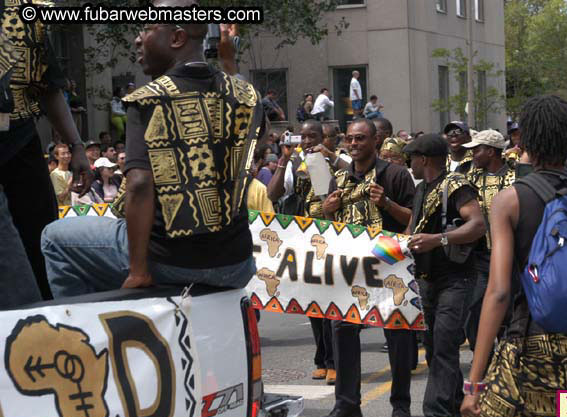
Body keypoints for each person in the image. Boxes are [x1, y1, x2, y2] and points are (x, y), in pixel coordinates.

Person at [41, 4, 263, 296]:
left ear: (176, 38)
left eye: (146, 28)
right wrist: (229, 63)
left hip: (171, 261)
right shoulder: (247, 95)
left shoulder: (149, 99)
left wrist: (138, 271)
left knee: (54, 237)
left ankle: (84, 334)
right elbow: (254, 140)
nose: (137, 39)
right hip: (237, 263)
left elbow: (140, 184)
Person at [460, 95, 567, 417]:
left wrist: (474, 383)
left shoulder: (511, 200)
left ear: (524, 141)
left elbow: (499, 292)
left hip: (536, 341)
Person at [319, 119, 416, 417]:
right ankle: (347, 404)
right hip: (352, 268)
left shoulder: (396, 175)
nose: (354, 143)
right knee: (342, 330)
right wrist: (328, 211)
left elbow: (414, 218)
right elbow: (331, 230)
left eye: (361, 138)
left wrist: (386, 203)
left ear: (376, 141)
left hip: (389, 265)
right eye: (350, 138)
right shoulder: (339, 178)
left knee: (397, 333)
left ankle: (400, 402)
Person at [0, 0, 92, 302]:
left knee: (38, 250)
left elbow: (49, 86)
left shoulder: (27, 13)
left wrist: (76, 145)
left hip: (20, 146)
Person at [403, 134, 485, 417]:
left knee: (446, 344)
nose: (410, 162)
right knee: (434, 345)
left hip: (456, 277)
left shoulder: (457, 185)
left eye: (412, 156)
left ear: (424, 159)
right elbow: (412, 228)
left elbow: (477, 225)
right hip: (426, 277)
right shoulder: (422, 188)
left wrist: (440, 240)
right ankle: (453, 409)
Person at [267, 119, 338, 385]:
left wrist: (321, 162)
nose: (307, 142)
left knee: (330, 304)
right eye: (303, 137)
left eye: (313, 137)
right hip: (302, 242)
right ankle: (321, 359)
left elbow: (323, 197)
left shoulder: (329, 160)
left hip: (329, 241)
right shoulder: (294, 163)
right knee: (312, 304)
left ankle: (333, 361)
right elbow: (272, 194)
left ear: (323, 138)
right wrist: (284, 160)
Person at [463, 130, 516, 353]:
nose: (473, 155)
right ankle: (483, 358)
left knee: (509, 310)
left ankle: (509, 358)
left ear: (492, 152)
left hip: (512, 255)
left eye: (477, 150)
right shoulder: (470, 178)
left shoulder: (516, 178)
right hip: (480, 255)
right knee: (474, 308)